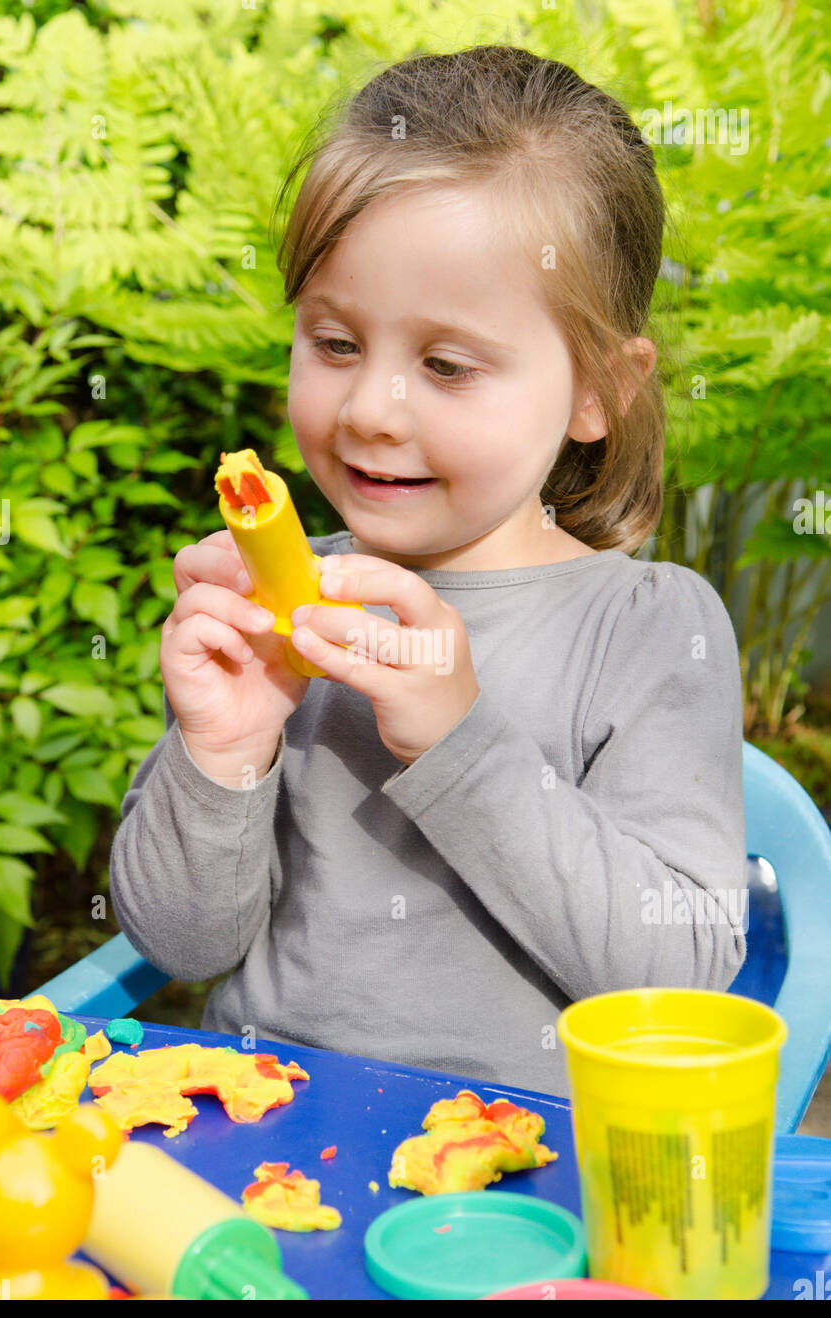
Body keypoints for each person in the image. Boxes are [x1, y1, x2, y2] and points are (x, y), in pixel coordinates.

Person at [109, 46, 747, 1097]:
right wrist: (222, 749)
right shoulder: (278, 607)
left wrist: (462, 744)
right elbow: (181, 943)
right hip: (268, 1142)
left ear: (599, 390)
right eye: (335, 341)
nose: (370, 410)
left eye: (446, 365)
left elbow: (678, 978)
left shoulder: (648, 630)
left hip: (523, 1195)